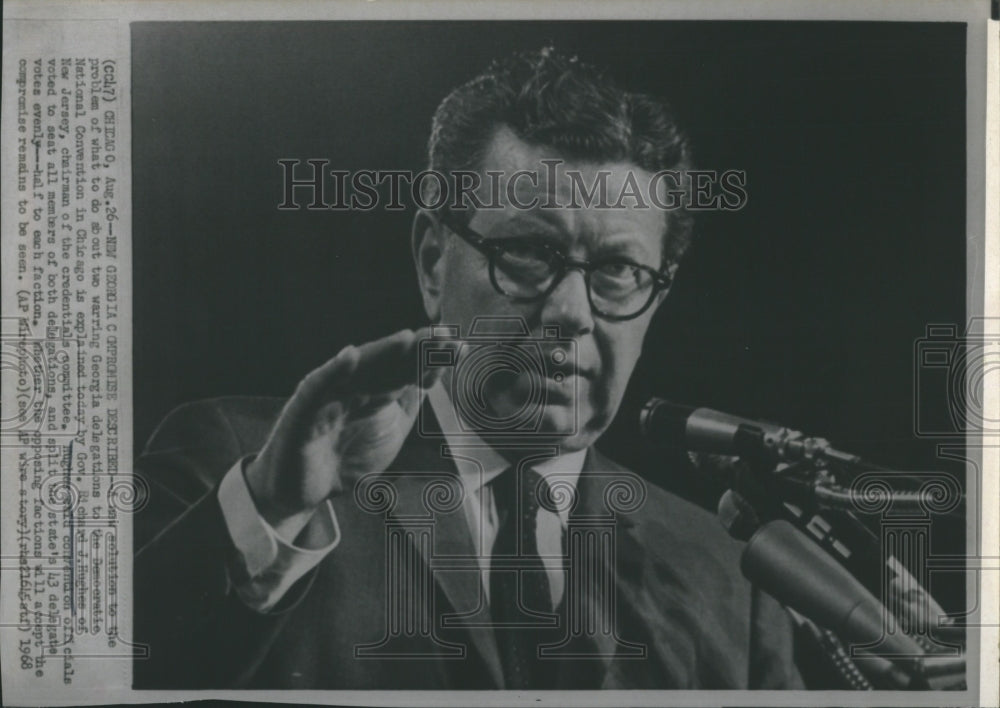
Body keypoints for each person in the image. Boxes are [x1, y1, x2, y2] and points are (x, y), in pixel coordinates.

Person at [133, 46, 803, 690]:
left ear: (658, 291)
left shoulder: (730, 580)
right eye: (530, 254)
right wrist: (272, 505)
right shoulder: (239, 469)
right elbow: (82, 671)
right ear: (432, 261)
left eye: (619, 272)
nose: (571, 312)